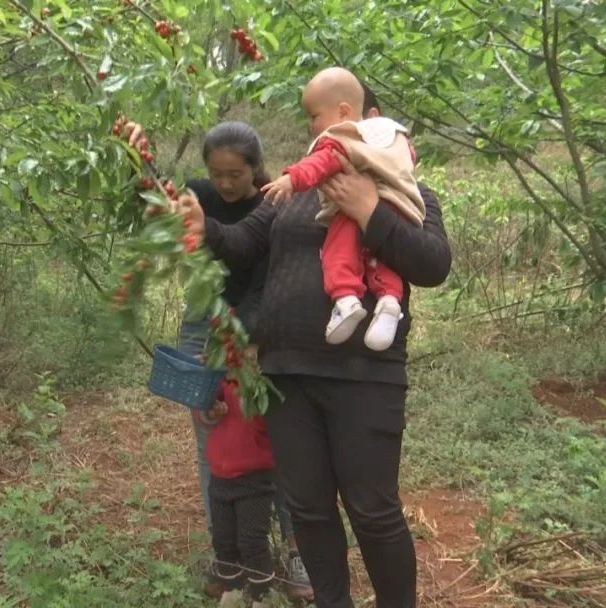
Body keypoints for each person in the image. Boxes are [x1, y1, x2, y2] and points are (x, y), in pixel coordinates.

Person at [170, 67, 453, 608]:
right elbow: (242, 243)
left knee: (372, 508)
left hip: (363, 376)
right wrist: (205, 228)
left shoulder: (405, 192)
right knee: (310, 507)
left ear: (371, 123)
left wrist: (367, 210)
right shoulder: (294, 193)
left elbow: (433, 264)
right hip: (285, 375)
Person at [121, 120, 313, 600]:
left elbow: (266, 282)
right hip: (204, 323)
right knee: (214, 439)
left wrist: (244, 338)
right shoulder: (200, 194)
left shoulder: (273, 202)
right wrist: (135, 156)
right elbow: (157, 201)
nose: (225, 183)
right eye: (217, 173)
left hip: (259, 329)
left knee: (277, 440)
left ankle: (296, 552)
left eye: (236, 174)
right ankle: (226, 555)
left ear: (256, 168)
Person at [261, 69, 425, 350]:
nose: (311, 126)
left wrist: (291, 179)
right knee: (384, 262)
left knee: (339, 250)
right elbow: (405, 161)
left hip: (356, 218)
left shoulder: (343, 138)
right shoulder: (393, 137)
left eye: (313, 117)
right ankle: (389, 302)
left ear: (343, 111)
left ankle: (345, 298)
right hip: (401, 208)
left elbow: (320, 163)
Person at [196, 374, 276, 608]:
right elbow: (204, 413)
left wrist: (251, 403)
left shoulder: (261, 378)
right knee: (223, 539)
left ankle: (262, 596)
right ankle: (232, 590)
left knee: (252, 540)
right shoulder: (220, 374)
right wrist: (211, 411)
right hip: (219, 474)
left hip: (254, 477)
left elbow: (270, 420)